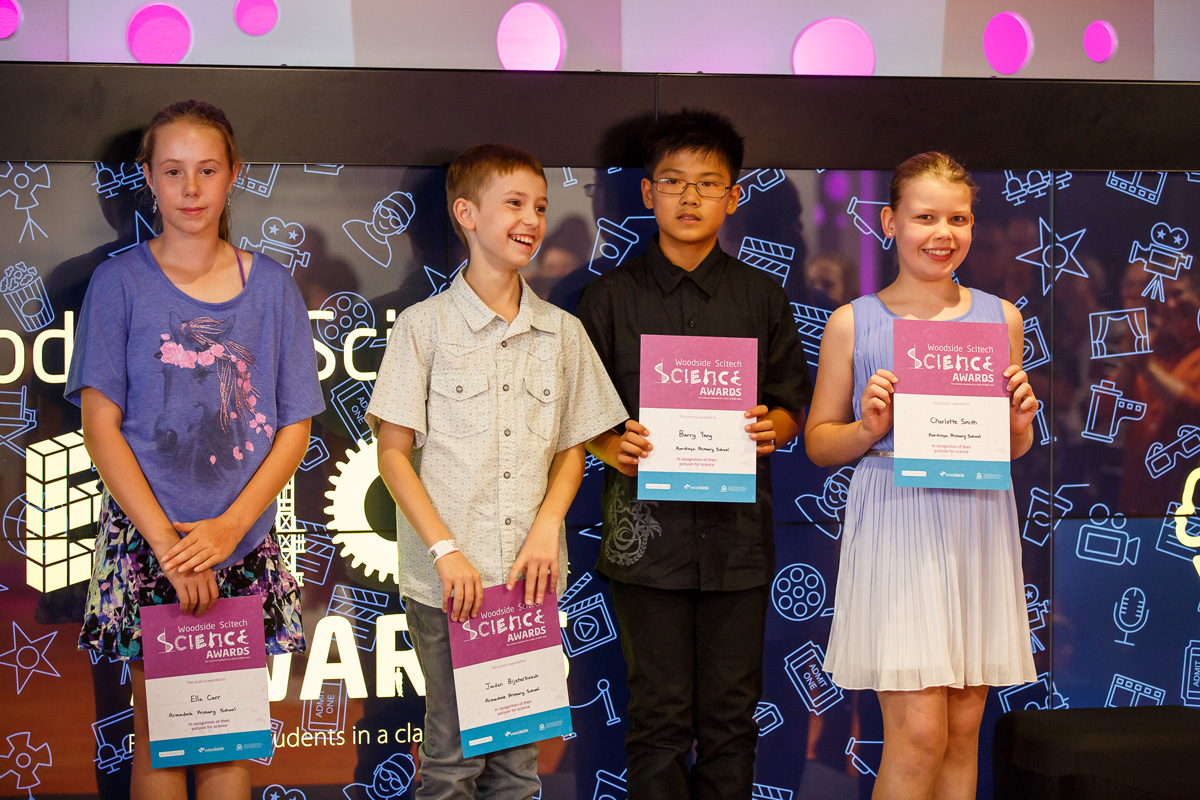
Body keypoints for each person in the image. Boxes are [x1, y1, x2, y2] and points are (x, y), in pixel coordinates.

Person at [66, 100, 323, 800]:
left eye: (206, 170)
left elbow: (295, 426)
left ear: (233, 175)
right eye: (173, 171)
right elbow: (100, 425)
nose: (190, 188)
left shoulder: (271, 288)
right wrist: (171, 548)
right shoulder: (118, 284)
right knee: (161, 739)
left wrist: (229, 530)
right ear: (147, 177)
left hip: (240, 542)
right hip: (150, 541)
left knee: (227, 738)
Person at [365, 144, 626, 799]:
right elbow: (393, 455)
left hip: (528, 585)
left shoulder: (562, 332)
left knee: (518, 767)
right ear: (465, 214)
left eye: (539, 206)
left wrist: (547, 529)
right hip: (452, 586)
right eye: (513, 203)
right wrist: (446, 550)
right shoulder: (423, 329)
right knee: (453, 763)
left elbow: (574, 446)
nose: (531, 219)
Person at [576, 110, 812, 800]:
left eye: (707, 184)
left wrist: (778, 425)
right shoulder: (608, 299)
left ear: (733, 196)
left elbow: (791, 403)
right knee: (657, 721)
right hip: (643, 543)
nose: (689, 198)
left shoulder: (761, 297)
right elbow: (577, 412)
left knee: (732, 722)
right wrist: (606, 442)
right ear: (647, 193)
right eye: (673, 182)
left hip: (737, 545)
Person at [805, 152, 1038, 799]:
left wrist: (1021, 418)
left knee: (964, 732)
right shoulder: (854, 321)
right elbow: (821, 444)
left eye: (957, 218)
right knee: (918, 738)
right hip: (898, 520)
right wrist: (868, 426)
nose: (943, 233)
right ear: (889, 221)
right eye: (925, 216)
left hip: (978, 523)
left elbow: (1012, 448)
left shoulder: (1001, 319)